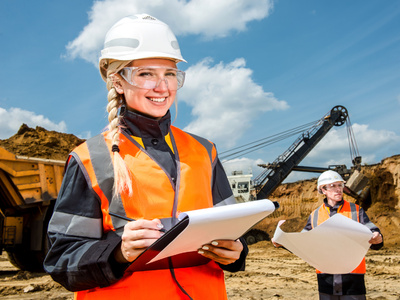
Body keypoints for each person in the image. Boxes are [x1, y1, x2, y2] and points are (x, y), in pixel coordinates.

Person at [43, 14, 247, 300]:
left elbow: (231, 228)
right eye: (146, 74)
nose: (162, 87)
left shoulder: (204, 151)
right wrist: (119, 253)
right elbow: (62, 260)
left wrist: (236, 252)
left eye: (170, 74)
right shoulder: (90, 159)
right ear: (117, 81)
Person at [273, 170, 383, 300]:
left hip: (353, 279)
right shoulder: (315, 215)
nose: (338, 190)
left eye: (340, 185)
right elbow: (303, 244)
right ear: (323, 190)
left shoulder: (356, 210)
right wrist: (283, 242)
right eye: (332, 186)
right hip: (326, 280)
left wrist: (377, 238)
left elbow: (373, 232)